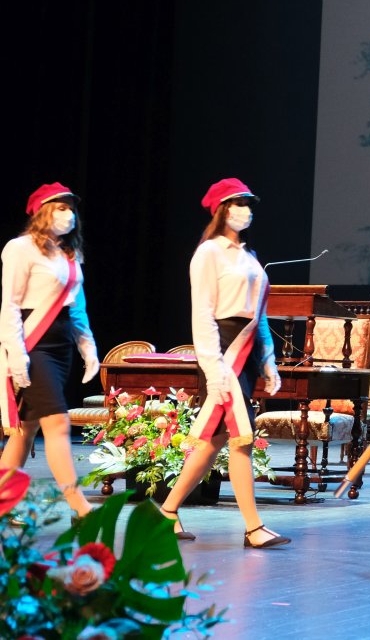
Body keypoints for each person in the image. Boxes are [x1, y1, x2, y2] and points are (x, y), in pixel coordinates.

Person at [159, 178, 289, 549]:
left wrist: (269, 361)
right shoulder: (209, 253)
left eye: (249, 204)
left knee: (213, 442)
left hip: (247, 352)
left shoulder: (249, 256)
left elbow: (259, 315)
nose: (246, 211)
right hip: (222, 352)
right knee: (241, 438)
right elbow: (202, 313)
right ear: (221, 210)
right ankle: (253, 528)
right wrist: (213, 370)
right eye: (238, 203)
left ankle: (166, 512)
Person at [0, 183, 99, 517]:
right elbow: (10, 305)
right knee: (57, 424)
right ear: (42, 211)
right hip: (33, 345)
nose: (68, 214)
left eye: (71, 208)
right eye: (61, 207)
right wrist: (17, 354)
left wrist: (88, 348)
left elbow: (77, 308)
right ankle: (80, 506)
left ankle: (2, 505)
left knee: (25, 432)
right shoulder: (20, 248)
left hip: (61, 349)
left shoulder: (69, 254)